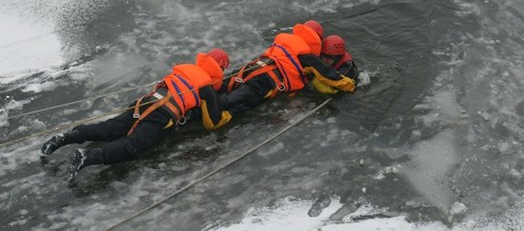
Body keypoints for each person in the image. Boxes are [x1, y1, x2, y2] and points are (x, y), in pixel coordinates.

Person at [40, 49, 233, 183]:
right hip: (164, 115)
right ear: (220, 69)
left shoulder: (186, 69)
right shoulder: (207, 86)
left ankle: (66, 138)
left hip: (146, 102)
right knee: (133, 146)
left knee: (111, 128)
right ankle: (86, 157)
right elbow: (212, 122)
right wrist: (227, 115)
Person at [220, 20, 356, 113]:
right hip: (265, 82)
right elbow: (329, 75)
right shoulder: (308, 56)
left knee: (222, 84)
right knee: (226, 104)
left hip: (252, 67)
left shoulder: (285, 40)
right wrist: (351, 84)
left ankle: (199, 93)